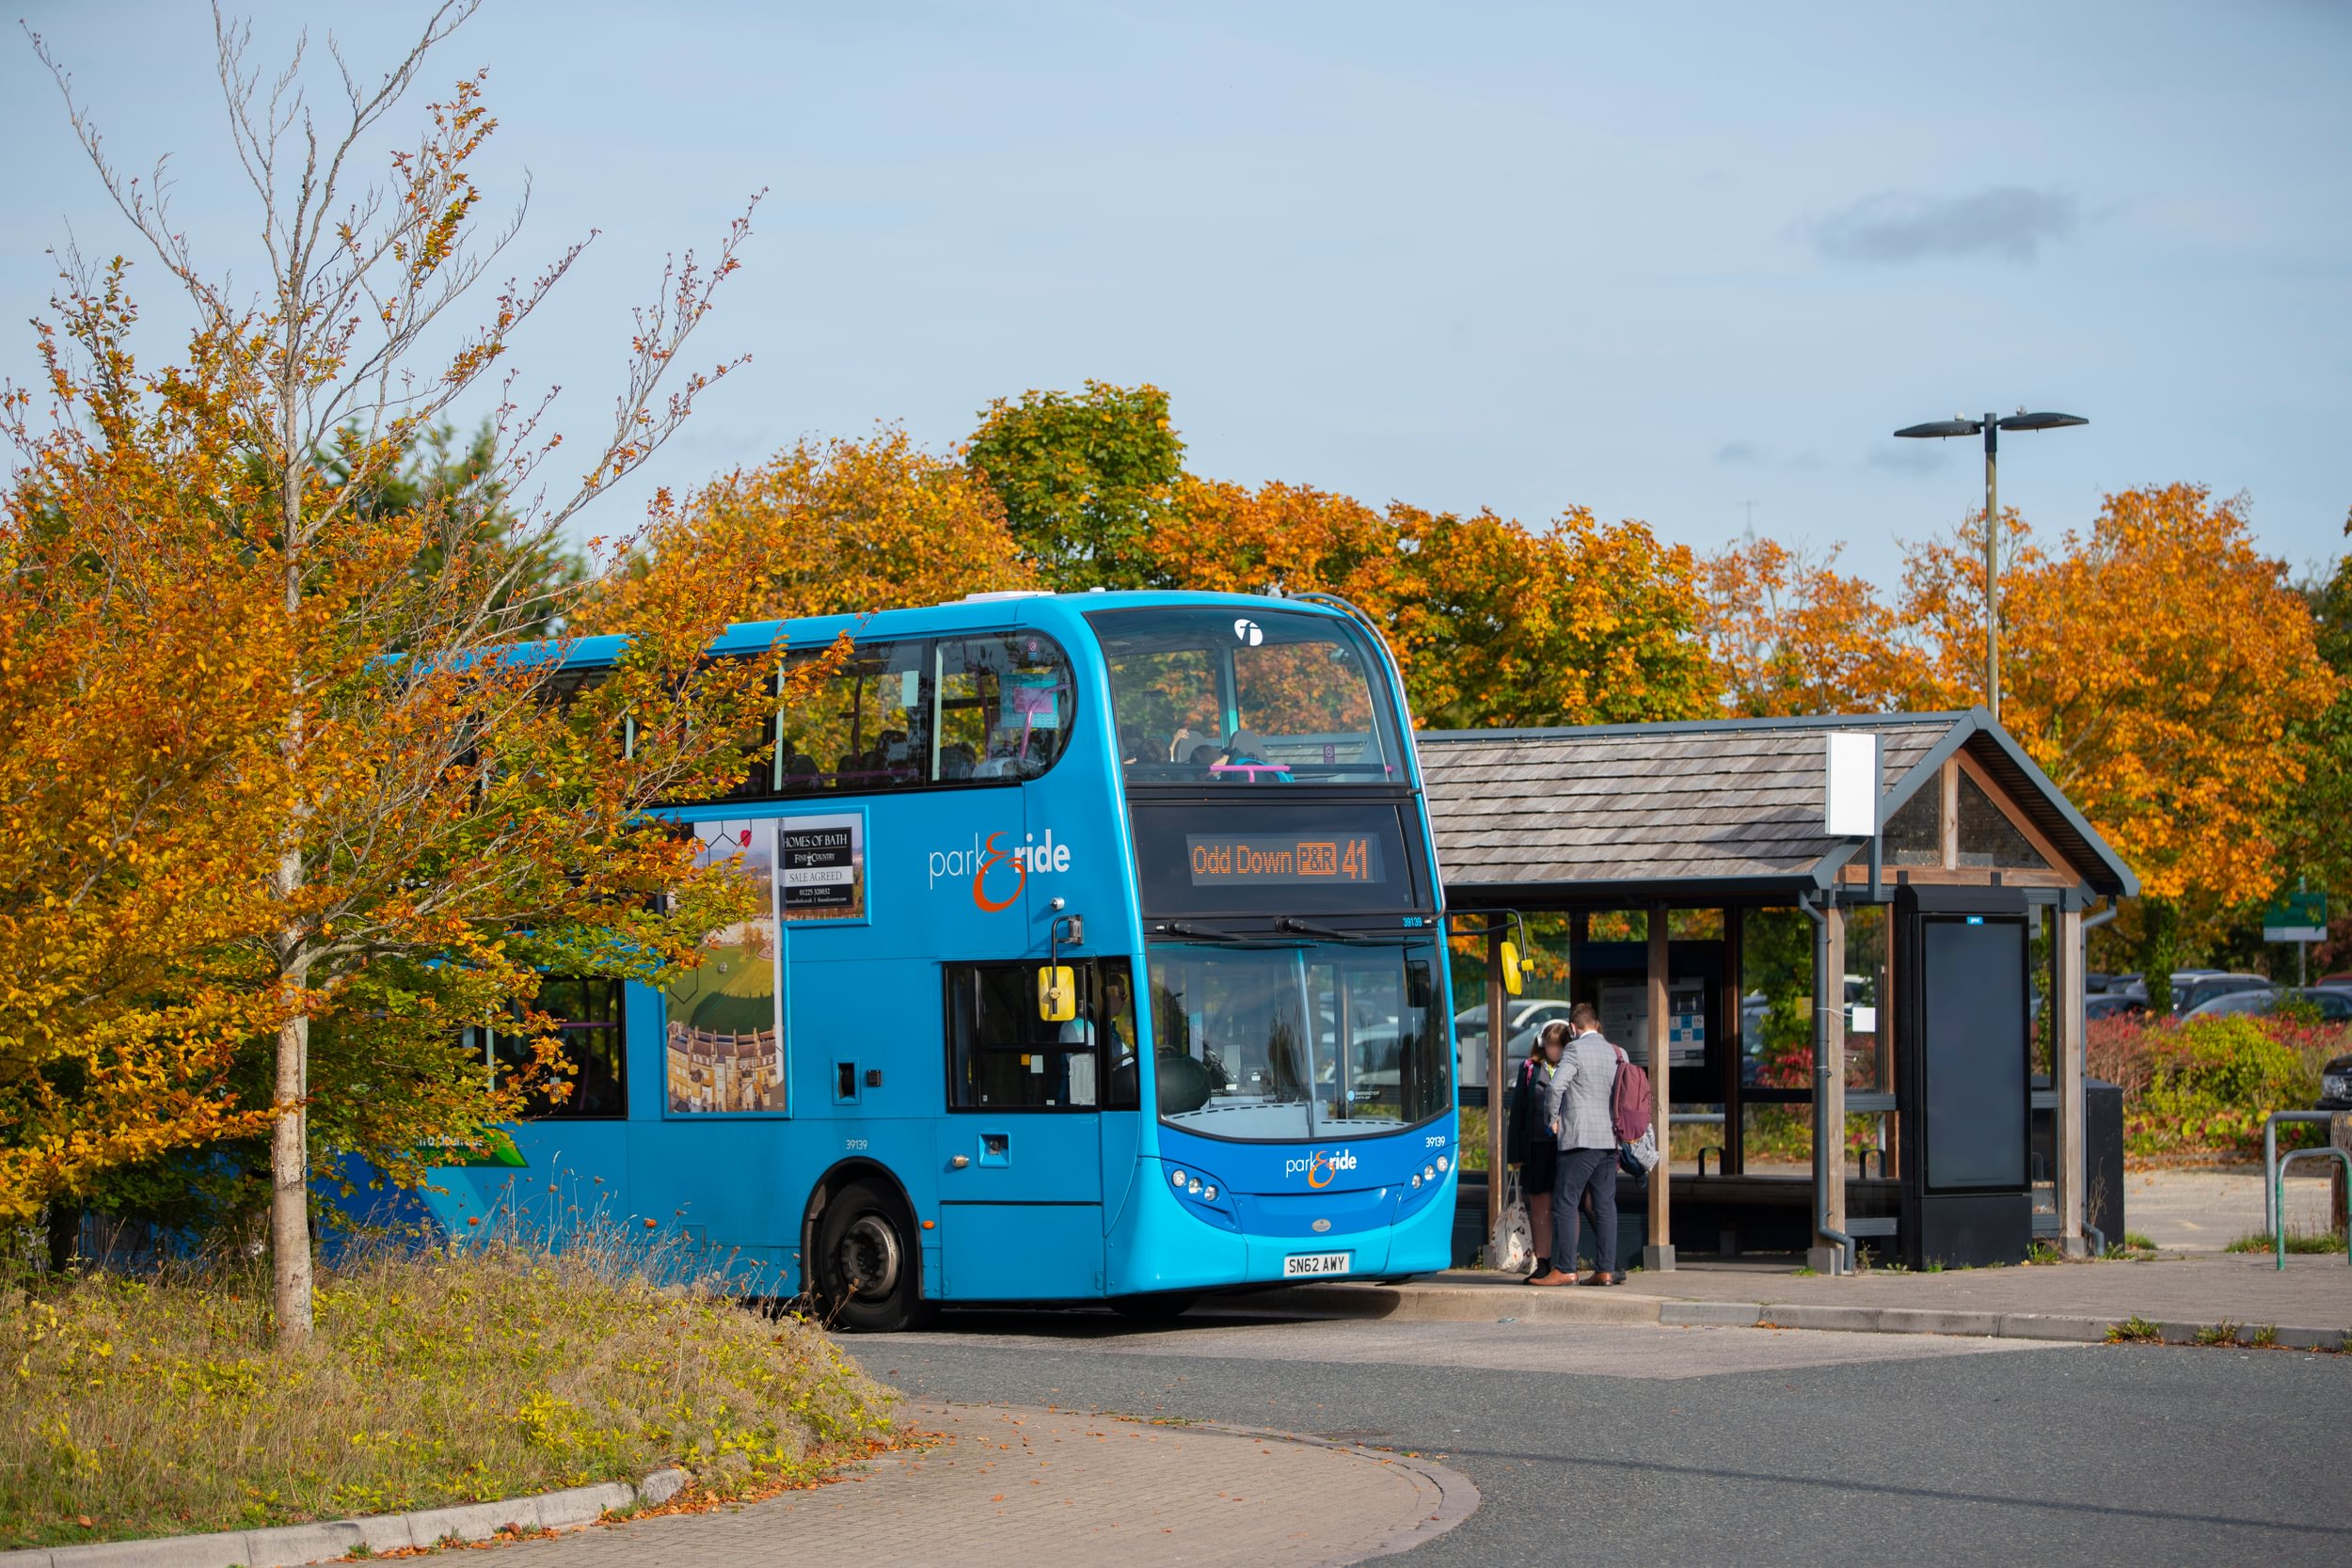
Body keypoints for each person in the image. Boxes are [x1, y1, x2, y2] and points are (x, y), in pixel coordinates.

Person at [1528, 1003, 1625, 1286]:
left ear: (1573, 1028)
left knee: (1565, 1202)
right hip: (1609, 1139)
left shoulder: (1574, 1050)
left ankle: (1566, 1268)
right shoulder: (1617, 1052)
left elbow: (1557, 1086)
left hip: (1579, 1140)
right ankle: (1606, 1269)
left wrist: (1552, 1119)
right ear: (1596, 1024)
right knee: (1605, 1204)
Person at [1505, 1023, 1565, 1280]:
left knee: (1566, 1205)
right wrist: (1515, 1155)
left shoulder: (1573, 1066)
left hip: (1566, 1146)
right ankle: (1543, 1261)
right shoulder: (1529, 1069)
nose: (1555, 1050)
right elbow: (1518, 1112)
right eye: (1551, 1044)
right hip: (1537, 1146)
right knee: (1540, 1205)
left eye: (1560, 1045)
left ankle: (1565, 1262)